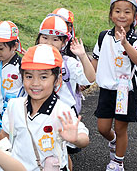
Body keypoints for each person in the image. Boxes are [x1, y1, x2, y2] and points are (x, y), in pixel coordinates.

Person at [0, 44, 90, 171]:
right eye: (29, 76)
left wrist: (75, 139)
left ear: (57, 80)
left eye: (43, 77)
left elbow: (84, 139)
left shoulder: (62, 110)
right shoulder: (14, 105)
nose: (35, 83)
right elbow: (5, 135)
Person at [91, 0, 137, 171]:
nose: (122, 15)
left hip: (125, 91)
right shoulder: (103, 37)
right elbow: (95, 61)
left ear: (134, 16)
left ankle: (117, 162)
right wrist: (86, 79)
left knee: (121, 128)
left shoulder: (135, 40)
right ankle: (113, 141)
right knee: (103, 128)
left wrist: (125, 43)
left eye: (127, 12)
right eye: (117, 11)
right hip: (107, 90)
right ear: (111, 14)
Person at [36, 15, 95, 170]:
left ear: (63, 42)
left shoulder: (68, 63)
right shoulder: (31, 61)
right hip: (38, 116)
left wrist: (82, 55)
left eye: (55, 39)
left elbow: (89, 79)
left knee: (62, 154)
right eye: (45, 38)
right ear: (38, 38)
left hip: (62, 116)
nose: (49, 43)